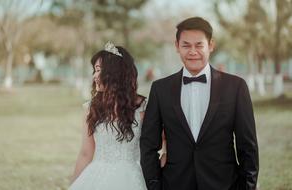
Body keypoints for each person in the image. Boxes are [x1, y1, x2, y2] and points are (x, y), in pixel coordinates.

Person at [140, 17, 259, 190]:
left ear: (210, 45)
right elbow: (148, 144)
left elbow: (248, 147)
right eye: (186, 45)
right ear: (177, 46)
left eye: (199, 45)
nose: (192, 52)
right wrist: (154, 185)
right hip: (174, 184)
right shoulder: (160, 89)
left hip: (224, 184)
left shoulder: (235, 87)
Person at [69, 42, 147, 190]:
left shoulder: (143, 107)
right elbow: (86, 153)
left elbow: (163, 142)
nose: (94, 76)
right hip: (97, 176)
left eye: (98, 70)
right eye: (94, 70)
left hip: (132, 178)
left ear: (115, 72)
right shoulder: (91, 108)